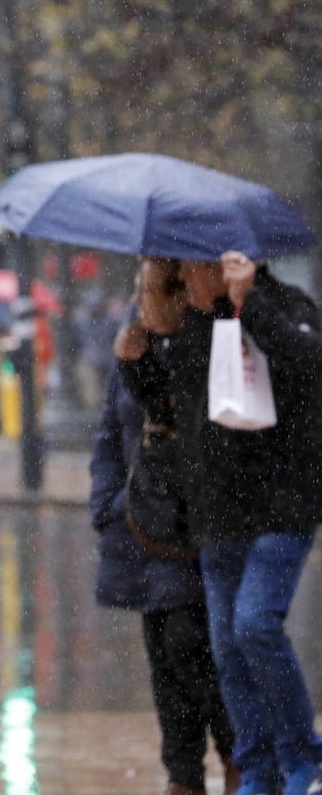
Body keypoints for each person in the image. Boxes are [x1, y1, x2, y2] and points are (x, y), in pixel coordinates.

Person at [117, 251, 322, 795]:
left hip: (281, 507)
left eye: (192, 267)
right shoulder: (196, 328)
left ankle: (305, 756)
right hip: (219, 514)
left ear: (225, 265)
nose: (184, 279)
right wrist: (136, 364)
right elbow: (174, 409)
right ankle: (259, 770)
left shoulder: (284, 306)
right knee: (228, 647)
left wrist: (247, 304)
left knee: (255, 624)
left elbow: (307, 363)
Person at [92, 258, 237, 795]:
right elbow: (110, 434)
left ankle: (232, 749)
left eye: (149, 288)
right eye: (137, 287)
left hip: (191, 525)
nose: (140, 298)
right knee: (161, 652)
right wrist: (105, 502)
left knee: (187, 641)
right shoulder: (132, 343)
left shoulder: (205, 341)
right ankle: (183, 773)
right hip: (139, 521)